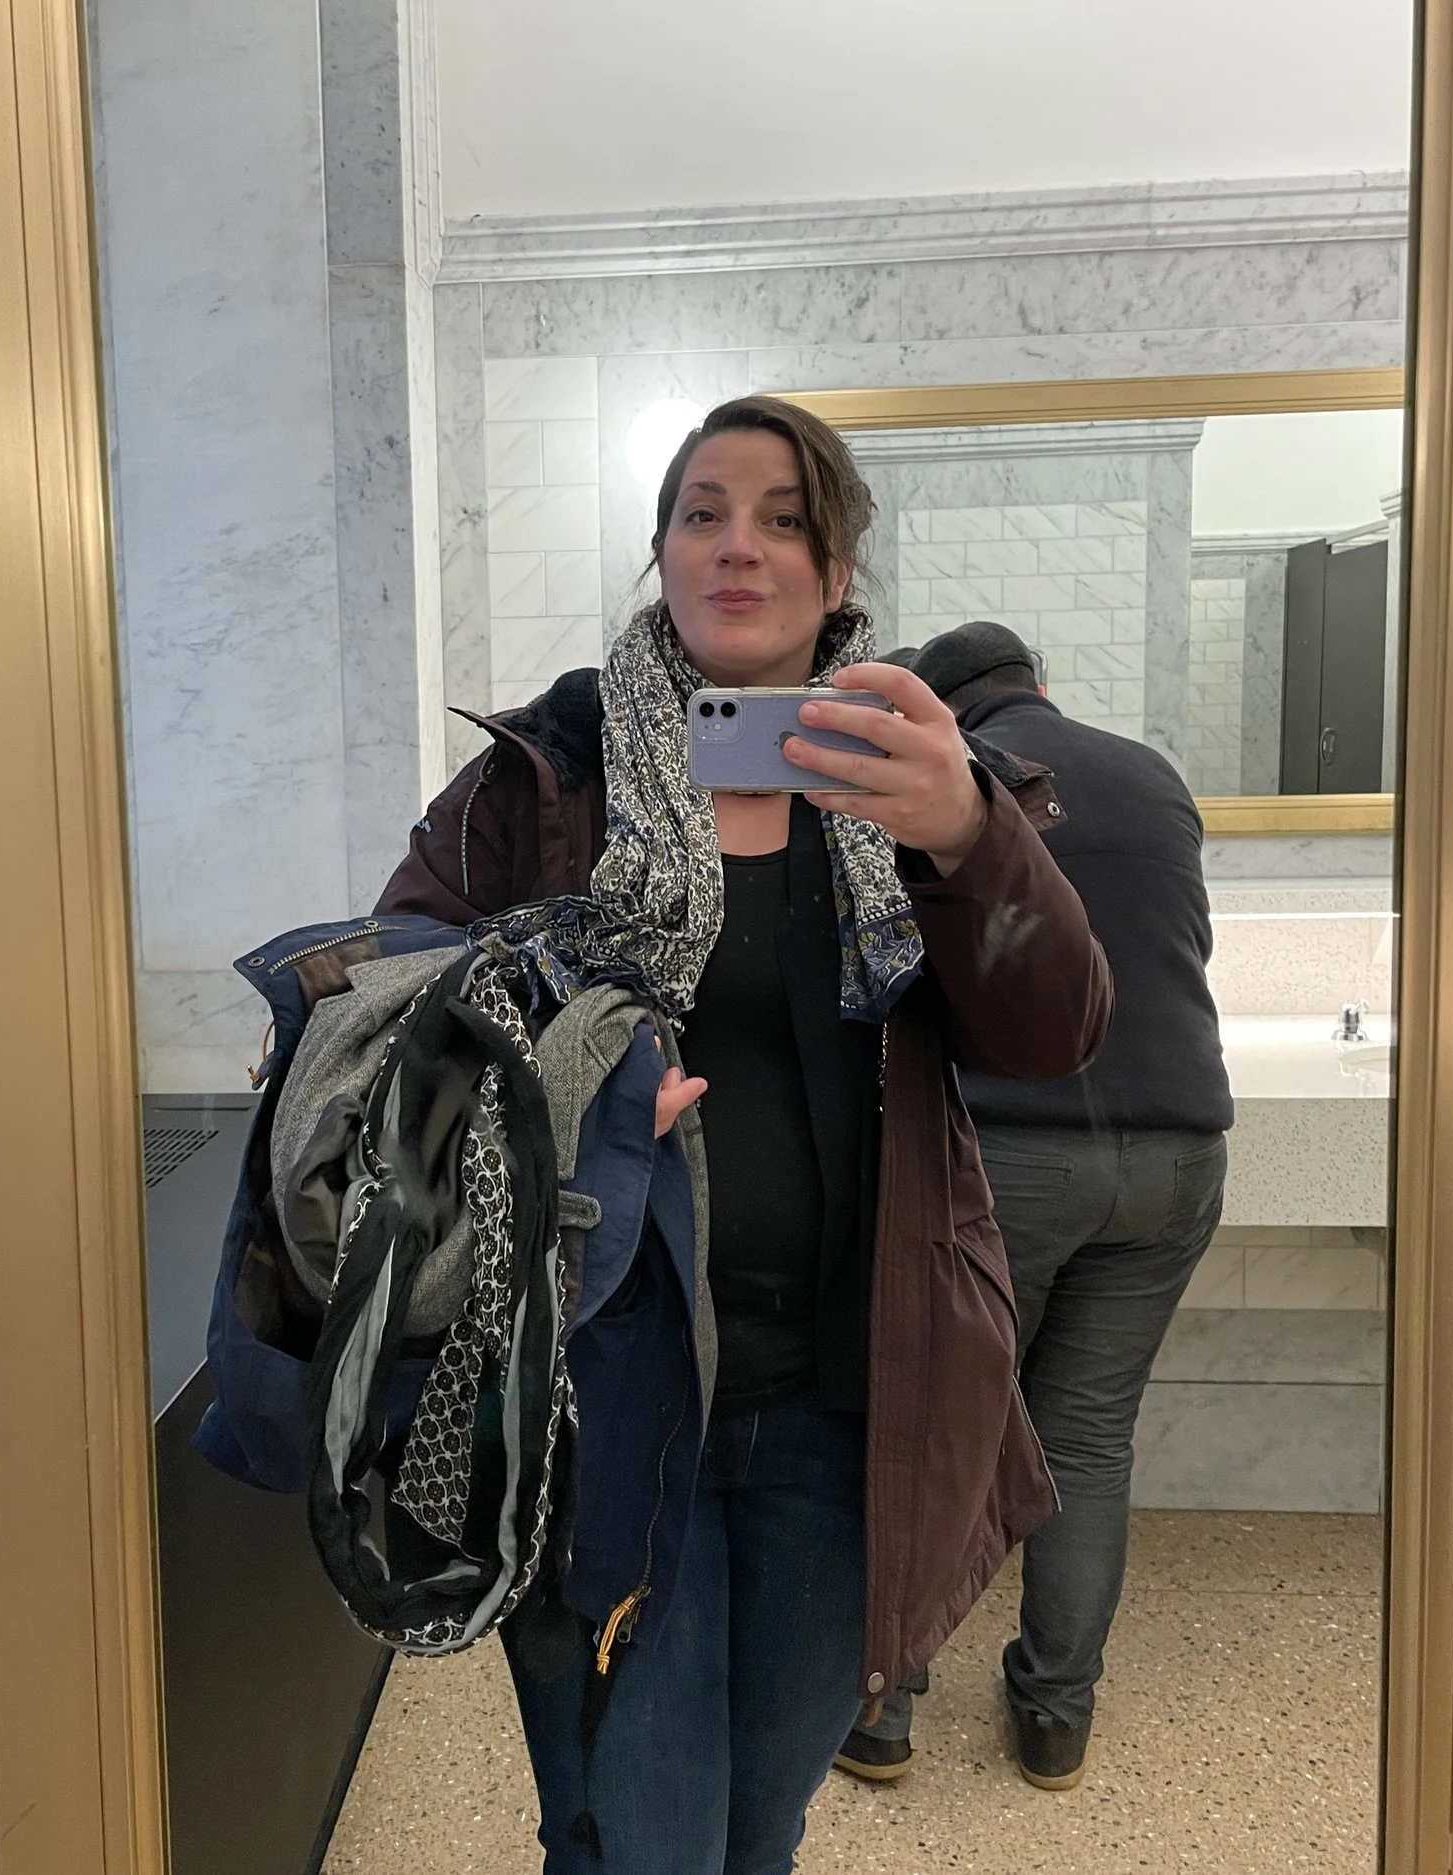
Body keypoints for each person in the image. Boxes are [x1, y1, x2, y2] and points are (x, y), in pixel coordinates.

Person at [377, 401, 1113, 1875]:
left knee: (760, 1828)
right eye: (703, 512)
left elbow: (1055, 1031)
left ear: (838, 574)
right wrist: (565, 1087)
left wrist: (968, 834)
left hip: (846, 1403)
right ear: (660, 550)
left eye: (785, 520)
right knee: (634, 1838)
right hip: (599, 1394)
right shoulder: (548, 775)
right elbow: (398, 1001)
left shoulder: (913, 780)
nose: (739, 546)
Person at [833, 621, 1233, 1793]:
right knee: (1089, 1437)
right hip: (1176, 1158)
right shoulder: (1152, 776)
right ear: (1039, 686)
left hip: (1015, 1150)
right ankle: (1055, 1715)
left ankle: (885, 1713)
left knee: (936, 1423)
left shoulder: (953, 787)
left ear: (939, 712)